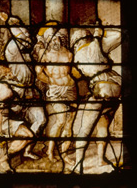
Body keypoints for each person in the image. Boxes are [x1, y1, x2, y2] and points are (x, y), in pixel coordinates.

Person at [69, 28, 122, 173]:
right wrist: (100, 33)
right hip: (116, 90)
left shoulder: (77, 56)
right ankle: (100, 159)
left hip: (100, 90)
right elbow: (118, 35)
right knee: (103, 126)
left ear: (75, 42)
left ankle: (78, 164)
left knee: (85, 129)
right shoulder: (98, 44)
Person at [34, 25, 77, 165]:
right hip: (55, 91)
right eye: (53, 39)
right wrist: (51, 82)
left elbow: (74, 71)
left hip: (70, 89)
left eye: (58, 38)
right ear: (48, 40)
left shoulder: (68, 54)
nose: (56, 41)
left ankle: (64, 154)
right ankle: (50, 151)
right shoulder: (45, 55)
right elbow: (38, 73)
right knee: (61, 120)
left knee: (69, 123)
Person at [0, 66, 35, 173]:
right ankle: (3, 159)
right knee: (29, 136)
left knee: (29, 135)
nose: (11, 75)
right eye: (9, 73)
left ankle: (4, 158)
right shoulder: (3, 89)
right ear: (4, 76)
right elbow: (10, 106)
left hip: (0, 120)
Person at [4, 17, 46, 150]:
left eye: (29, 38)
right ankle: (9, 151)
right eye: (25, 39)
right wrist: (11, 22)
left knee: (41, 120)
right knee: (13, 125)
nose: (28, 41)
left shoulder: (28, 53)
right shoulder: (12, 51)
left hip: (30, 94)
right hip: (16, 95)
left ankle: (25, 149)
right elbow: (20, 38)